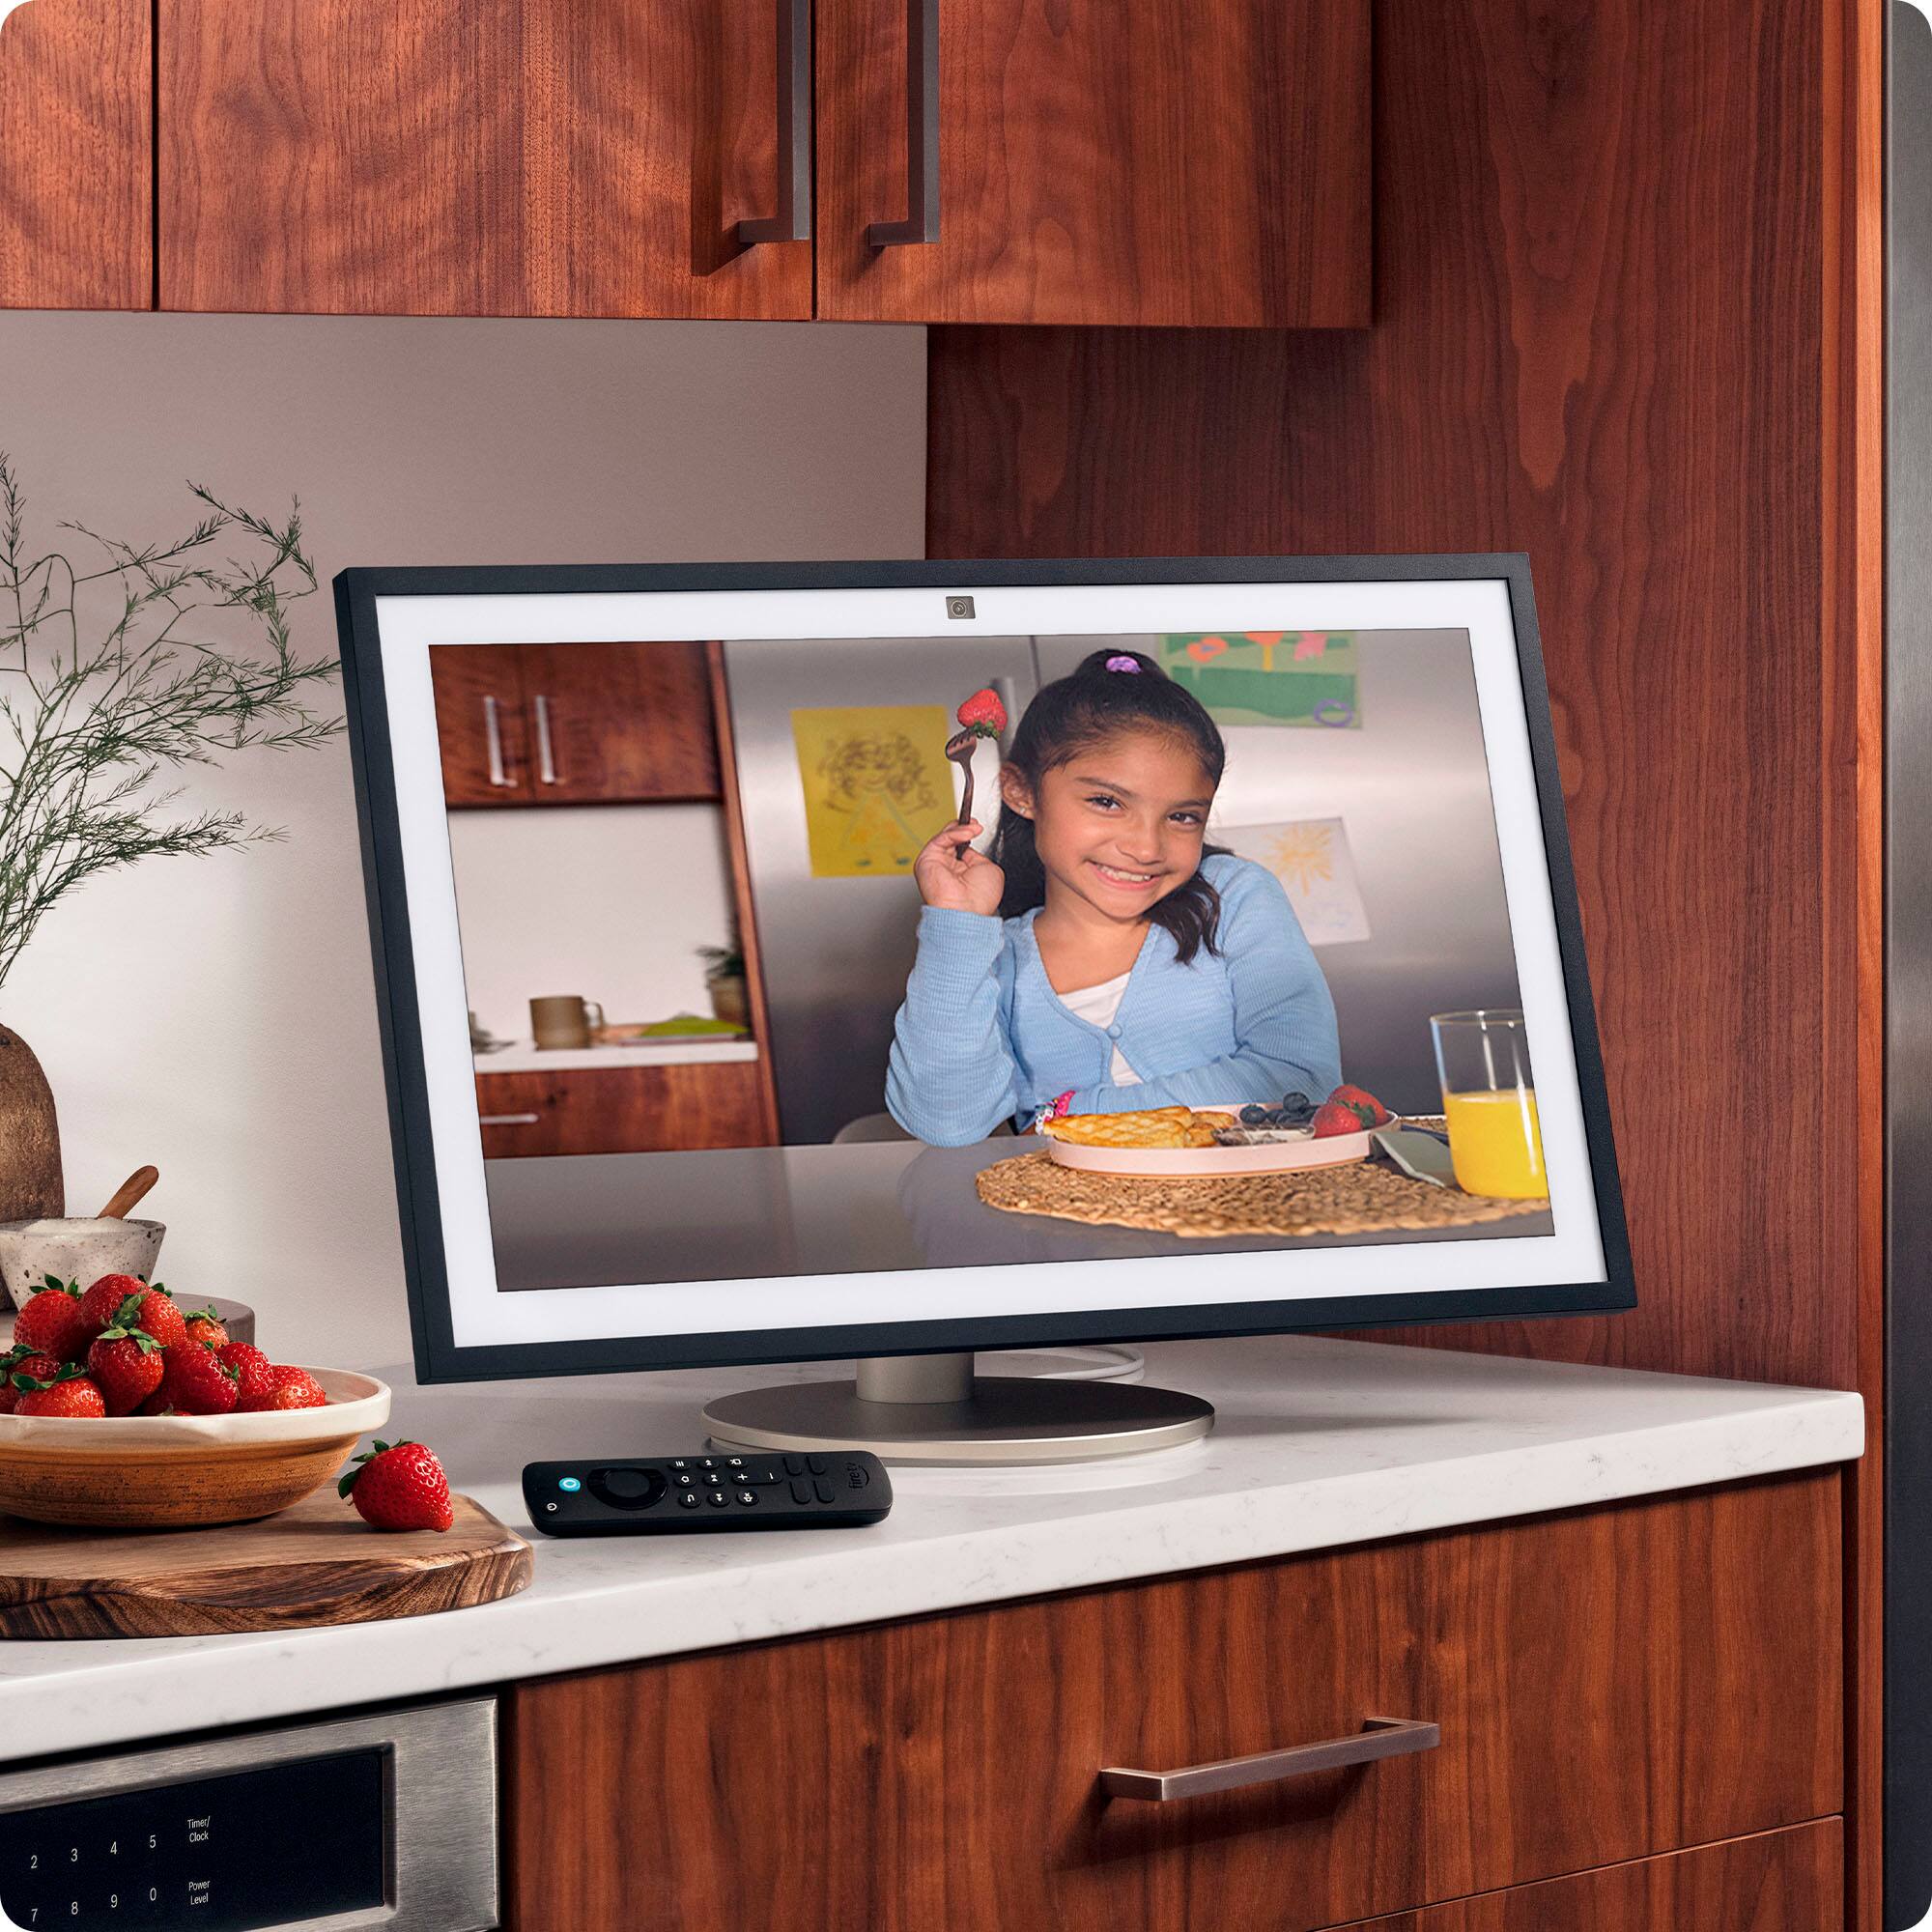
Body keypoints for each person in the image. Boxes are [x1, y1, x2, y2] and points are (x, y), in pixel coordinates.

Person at [885, 647, 1342, 1146]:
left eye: (1183, 816)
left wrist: (1063, 1117)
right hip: (1064, 1223)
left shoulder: (1233, 899)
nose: (1146, 848)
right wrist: (956, 927)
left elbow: (1299, 1082)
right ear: (1022, 793)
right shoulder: (991, 954)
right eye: (1106, 802)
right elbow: (945, 1124)